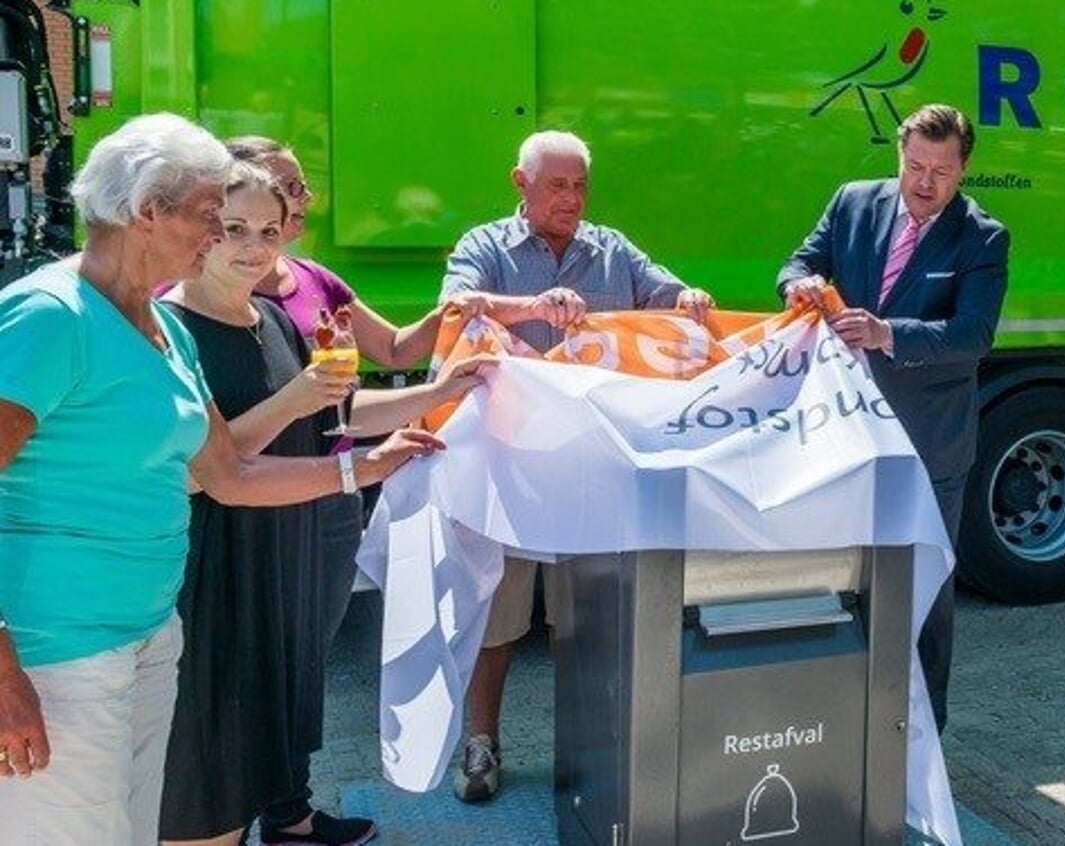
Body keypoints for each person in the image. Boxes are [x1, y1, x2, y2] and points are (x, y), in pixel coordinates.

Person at [0, 114, 441, 846]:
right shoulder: (50, 317)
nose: (225, 238)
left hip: (148, 637)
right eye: (211, 218)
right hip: (58, 656)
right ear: (148, 212)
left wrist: (363, 467)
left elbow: (227, 473)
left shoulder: (160, 329)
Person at [155, 164, 487, 846]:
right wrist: (307, 411)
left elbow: (340, 408)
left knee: (257, 767)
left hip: (280, 570)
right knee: (202, 796)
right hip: (209, 581)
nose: (252, 247)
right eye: (233, 228)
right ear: (200, 230)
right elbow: (207, 465)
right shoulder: (166, 326)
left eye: (269, 232)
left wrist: (437, 392)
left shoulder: (274, 317)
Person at [439, 129, 714, 801]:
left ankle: (587, 747)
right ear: (520, 184)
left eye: (580, 185)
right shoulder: (484, 247)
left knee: (583, 616)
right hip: (507, 469)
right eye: (557, 185)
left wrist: (689, 301)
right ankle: (481, 745)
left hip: (592, 471)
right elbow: (453, 309)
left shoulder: (612, 249)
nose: (571, 198)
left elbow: (669, 297)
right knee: (498, 616)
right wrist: (530, 306)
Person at [777, 103, 1009, 733]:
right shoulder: (853, 202)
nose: (925, 182)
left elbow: (973, 335)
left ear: (963, 171)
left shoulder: (983, 237)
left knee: (924, 591)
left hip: (928, 447)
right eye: (915, 166)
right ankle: (844, 724)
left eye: (941, 171)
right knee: (844, 580)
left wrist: (887, 333)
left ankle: (922, 736)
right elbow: (800, 262)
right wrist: (798, 286)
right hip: (845, 434)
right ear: (898, 156)